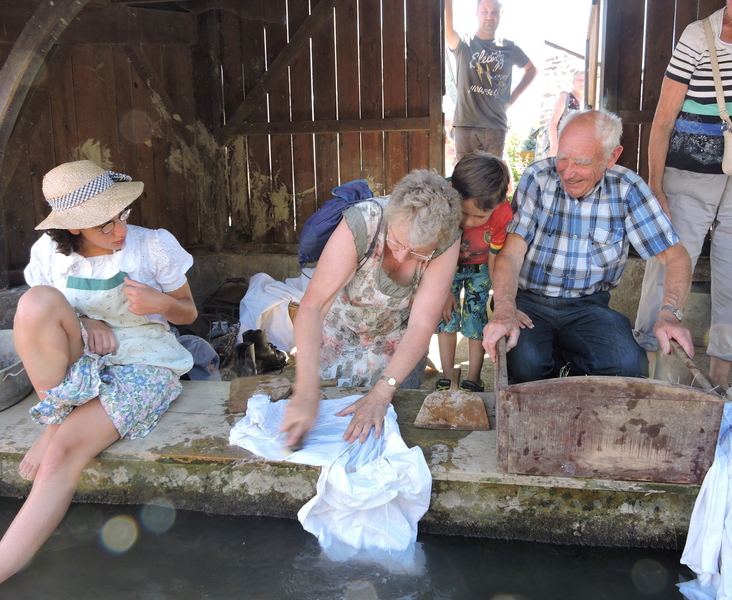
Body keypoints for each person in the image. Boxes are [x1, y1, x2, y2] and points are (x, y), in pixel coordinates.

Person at [0, 160, 197, 586]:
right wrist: (86, 322)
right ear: (73, 229)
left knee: (62, 456)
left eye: (121, 216)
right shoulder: (49, 255)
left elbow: (190, 312)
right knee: (34, 304)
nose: (119, 231)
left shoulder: (153, 245)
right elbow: (52, 317)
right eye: (104, 226)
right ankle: (54, 421)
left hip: (146, 357)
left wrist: (161, 305)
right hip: (86, 349)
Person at [634, 0, 732, 390]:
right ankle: (657, 381)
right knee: (669, 263)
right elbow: (663, 120)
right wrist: (656, 188)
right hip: (688, 172)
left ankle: (718, 386)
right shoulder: (696, 35)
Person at [482, 110, 695, 382]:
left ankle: (571, 371)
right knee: (527, 366)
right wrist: (504, 307)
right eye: (562, 158)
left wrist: (669, 313)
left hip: (589, 307)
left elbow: (675, 256)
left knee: (628, 366)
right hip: (529, 304)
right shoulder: (537, 178)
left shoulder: (627, 188)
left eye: (582, 162)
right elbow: (510, 254)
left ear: (612, 157)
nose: (568, 173)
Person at [280, 170, 462, 447]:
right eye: (398, 244)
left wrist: (381, 393)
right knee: (331, 432)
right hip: (339, 337)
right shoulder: (364, 221)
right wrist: (305, 390)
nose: (402, 256)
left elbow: (422, 324)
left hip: (397, 346)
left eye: (417, 252)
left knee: (385, 434)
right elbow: (313, 307)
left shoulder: (446, 239)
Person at [434, 151, 514, 392]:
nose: (468, 222)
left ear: (497, 206)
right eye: (463, 212)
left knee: (476, 316)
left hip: (480, 269)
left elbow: (494, 257)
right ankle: (447, 376)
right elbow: (435, 247)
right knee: (446, 315)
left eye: (479, 217)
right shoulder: (441, 197)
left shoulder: (503, 214)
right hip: (445, 264)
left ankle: (473, 378)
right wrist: (444, 289)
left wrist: (498, 294)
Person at [445, 0, 537, 161]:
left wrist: (511, 98)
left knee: (492, 180)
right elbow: (447, 28)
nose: (490, 16)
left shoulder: (509, 48)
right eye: (485, 11)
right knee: (464, 179)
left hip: (495, 125)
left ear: (501, 13)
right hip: (467, 125)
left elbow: (531, 69)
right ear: (477, 13)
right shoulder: (464, 45)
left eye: (494, 12)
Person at [541, 70, 585, 159]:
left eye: (584, 80)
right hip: (558, 146)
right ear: (573, 82)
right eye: (579, 80)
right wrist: (554, 147)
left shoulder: (586, 103)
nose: (582, 83)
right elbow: (553, 123)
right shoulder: (566, 97)